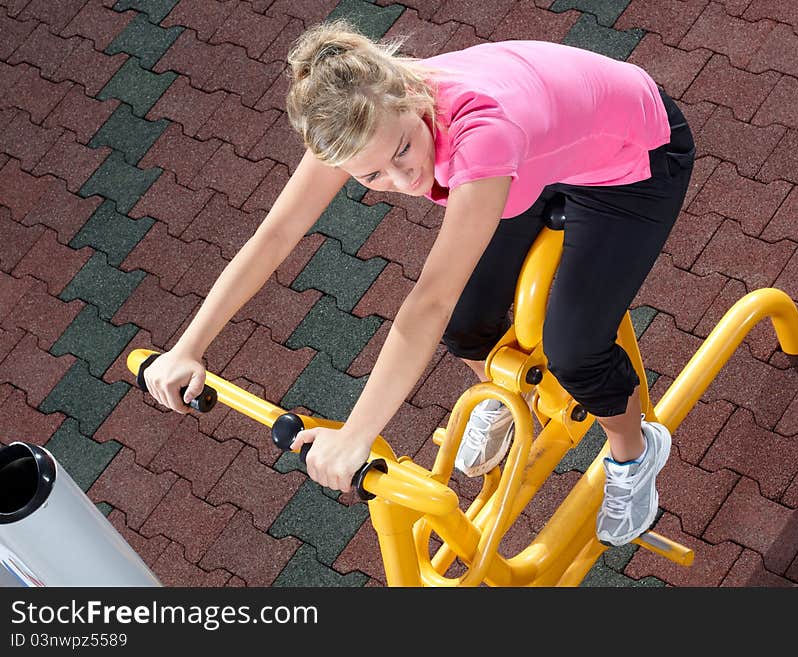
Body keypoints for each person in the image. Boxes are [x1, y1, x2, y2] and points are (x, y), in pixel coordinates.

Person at [142, 19, 695, 547]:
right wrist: (188, 347)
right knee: (466, 325)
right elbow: (275, 234)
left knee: (575, 350)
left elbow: (427, 299)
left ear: (410, 96)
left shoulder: (479, 134)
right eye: (373, 175)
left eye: (404, 148)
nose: (406, 179)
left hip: (633, 156)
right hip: (541, 156)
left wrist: (357, 433)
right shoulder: (354, 123)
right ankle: (509, 398)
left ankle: (634, 449)